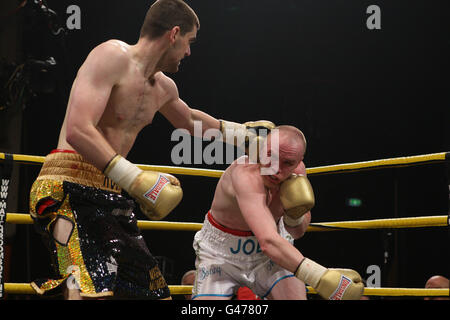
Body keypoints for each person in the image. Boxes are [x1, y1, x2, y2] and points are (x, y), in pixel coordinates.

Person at [28, 0, 272, 300]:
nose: (189, 52)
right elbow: (78, 130)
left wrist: (248, 137)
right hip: (67, 186)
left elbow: (192, 121)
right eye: (189, 42)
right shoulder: (111, 55)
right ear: (174, 33)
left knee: (153, 295)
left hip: (111, 197)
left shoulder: (163, 88)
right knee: (85, 288)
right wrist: (137, 179)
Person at [192, 125, 365, 300]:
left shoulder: (297, 174)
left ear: (299, 161)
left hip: (271, 256)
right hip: (221, 255)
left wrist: (293, 213)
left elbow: (296, 232)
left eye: (288, 163)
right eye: (271, 156)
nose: (276, 168)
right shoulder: (245, 174)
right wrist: (320, 277)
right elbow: (268, 241)